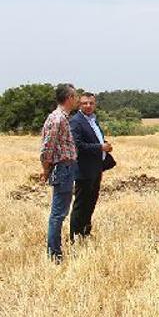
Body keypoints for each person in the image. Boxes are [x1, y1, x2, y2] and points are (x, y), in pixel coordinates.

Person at [39, 83, 79, 263]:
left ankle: (55, 250)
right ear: (69, 98)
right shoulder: (58, 119)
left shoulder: (62, 117)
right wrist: (46, 169)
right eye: (75, 96)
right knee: (58, 213)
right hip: (62, 168)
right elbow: (47, 147)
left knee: (60, 212)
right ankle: (54, 254)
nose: (76, 99)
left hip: (66, 168)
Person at [69, 92, 112, 242]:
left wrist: (104, 144)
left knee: (91, 203)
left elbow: (94, 139)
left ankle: (85, 234)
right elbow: (78, 145)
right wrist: (100, 147)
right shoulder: (76, 121)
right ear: (79, 105)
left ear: (95, 104)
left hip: (96, 169)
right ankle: (75, 239)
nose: (88, 106)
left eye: (91, 103)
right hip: (84, 170)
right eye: (84, 103)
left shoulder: (93, 120)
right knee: (81, 205)